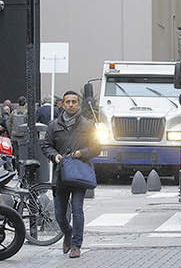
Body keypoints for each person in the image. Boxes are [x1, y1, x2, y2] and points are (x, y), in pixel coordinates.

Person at [42, 90, 101, 258]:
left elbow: (97, 147)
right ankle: (67, 232)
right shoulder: (54, 125)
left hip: (79, 173)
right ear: (62, 104)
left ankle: (76, 245)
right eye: (67, 102)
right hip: (61, 174)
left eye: (74, 102)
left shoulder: (88, 125)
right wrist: (55, 156)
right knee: (59, 214)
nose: (71, 105)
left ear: (79, 104)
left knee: (77, 209)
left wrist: (80, 153)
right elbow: (46, 146)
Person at [7, 96, 28, 169]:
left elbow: (9, 124)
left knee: (17, 154)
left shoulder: (13, 112)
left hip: (15, 136)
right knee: (24, 154)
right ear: (25, 104)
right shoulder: (27, 112)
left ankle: (18, 170)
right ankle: (24, 170)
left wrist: (11, 133)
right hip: (24, 137)